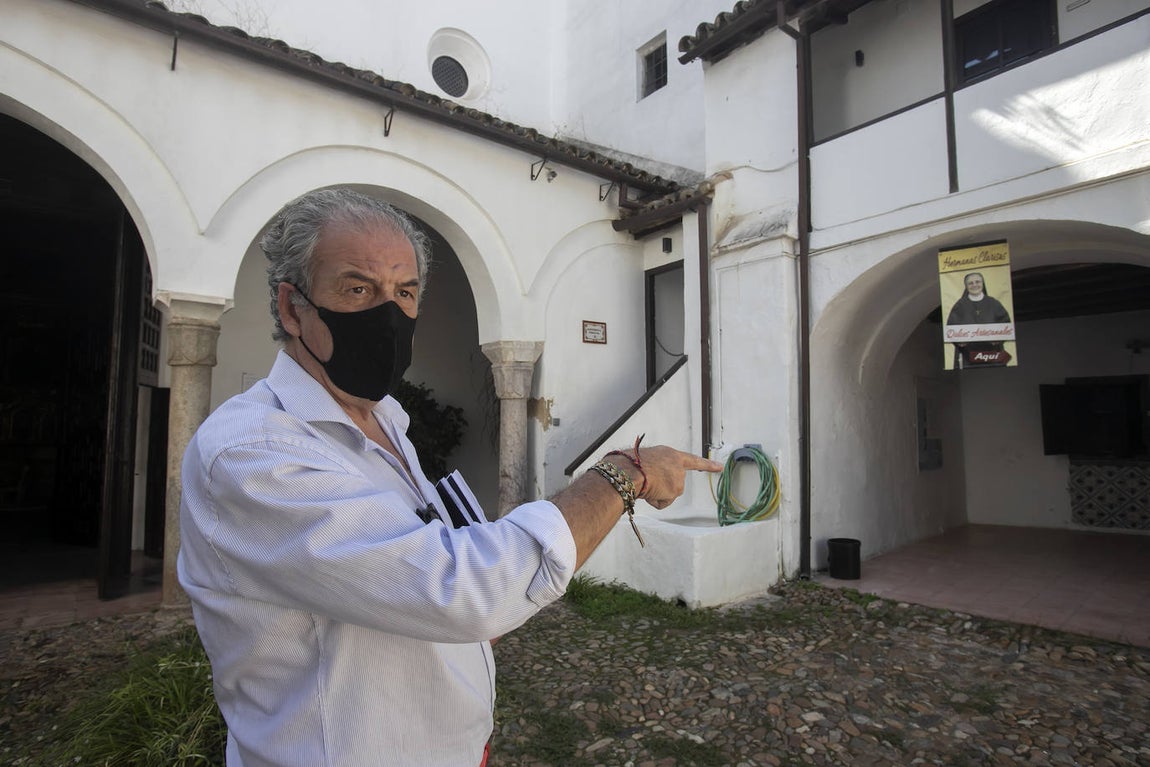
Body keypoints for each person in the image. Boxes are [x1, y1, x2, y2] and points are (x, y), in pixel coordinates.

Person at [177, 187, 721, 767]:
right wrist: (623, 475)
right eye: (357, 287)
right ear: (292, 308)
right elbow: (460, 589)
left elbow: (427, 567)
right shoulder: (253, 453)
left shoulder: (384, 419)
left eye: (404, 292)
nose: (387, 313)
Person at [946, 271, 1012, 368]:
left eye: (978, 282)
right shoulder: (960, 305)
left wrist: (999, 339)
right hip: (968, 354)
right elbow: (951, 328)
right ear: (966, 286)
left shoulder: (993, 303)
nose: (974, 285)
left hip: (993, 354)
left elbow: (1006, 323)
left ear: (982, 284)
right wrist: (959, 341)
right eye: (970, 283)